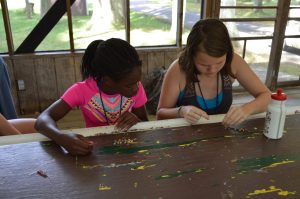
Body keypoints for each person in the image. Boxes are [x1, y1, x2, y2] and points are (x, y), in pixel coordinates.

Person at [35, 38, 148, 155]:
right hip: (95, 151)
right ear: (108, 80)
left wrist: (136, 120)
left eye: (137, 82)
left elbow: (145, 122)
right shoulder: (82, 90)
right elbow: (42, 120)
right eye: (129, 86)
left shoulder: (135, 85)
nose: (136, 88)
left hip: (128, 149)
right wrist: (62, 138)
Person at [157, 19, 271, 127]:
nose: (212, 70)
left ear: (227, 53)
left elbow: (268, 97)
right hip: (185, 136)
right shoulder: (178, 69)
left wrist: (246, 109)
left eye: (219, 62)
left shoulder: (233, 62)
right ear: (191, 56)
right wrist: (181, 111)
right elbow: (160, 114)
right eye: (204, 65)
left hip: (222, 134)